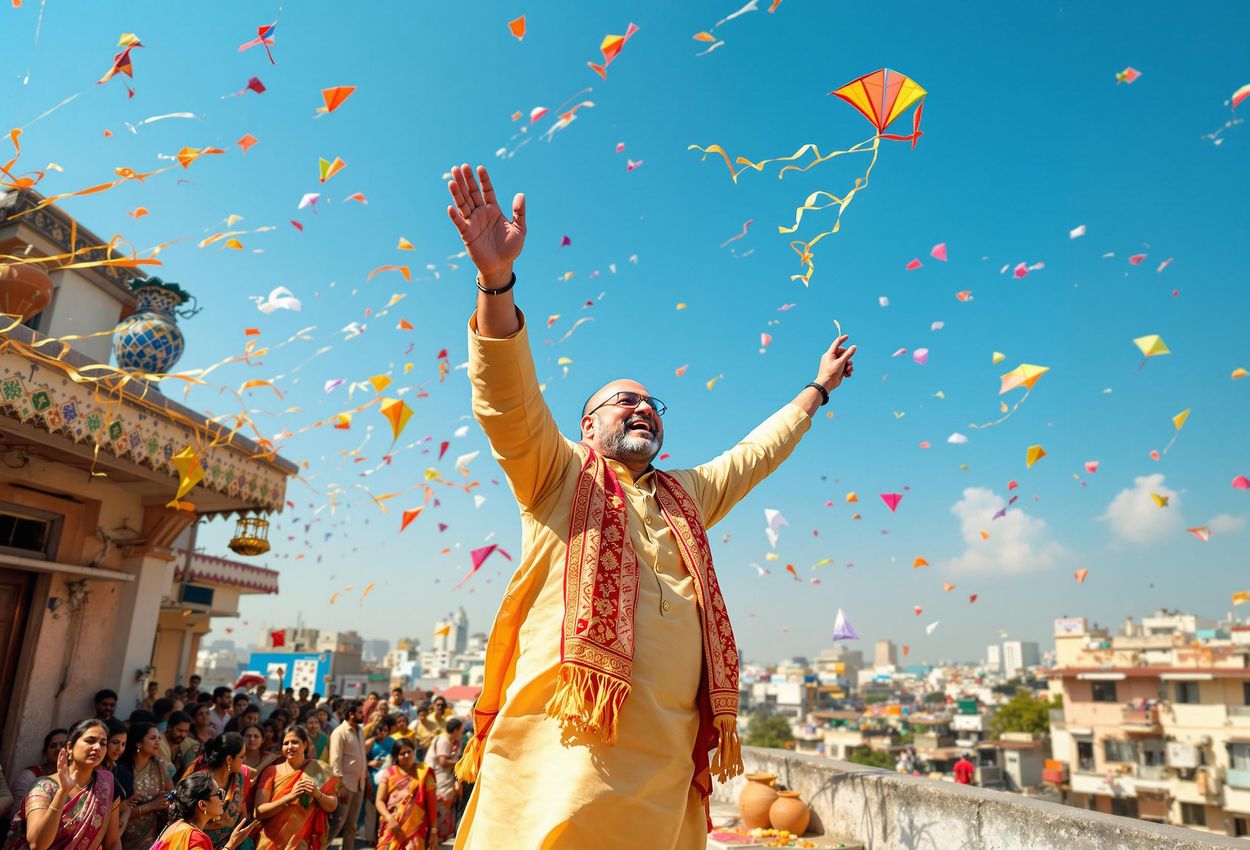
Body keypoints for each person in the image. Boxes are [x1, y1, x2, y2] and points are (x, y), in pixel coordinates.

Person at [442, 163, 856, 850]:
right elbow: (506, 400)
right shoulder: (557, 472)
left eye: (651, 404)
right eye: (622, 401)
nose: (642, 409)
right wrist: (495, 282)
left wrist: (817, 389)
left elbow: (756, 453)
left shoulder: (684, 496)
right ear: (586, 429)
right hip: (564, 761)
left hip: (667, 764)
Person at [6, 718, 122, 850]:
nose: (97, 747)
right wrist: (63, 791)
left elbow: (112, 843)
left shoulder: (107, 785)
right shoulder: (44, 786)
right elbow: (37, 844)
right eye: (90, 741)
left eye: (103, 743)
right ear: (69, 747)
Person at [253, 726, 339, 850]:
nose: (290, 747)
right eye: (285, 743)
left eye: (295, 742)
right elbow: (259, 811)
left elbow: (332, 806)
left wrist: (317, 794)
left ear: (305, 744)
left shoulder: (318, 769)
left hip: (303, 842)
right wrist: (288, 798)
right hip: (271, 841)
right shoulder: (271, 771)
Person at [150, 772, 257, 850]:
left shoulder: (176, 825)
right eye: (219, 794)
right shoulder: (194, 838)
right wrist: (232, 844)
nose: (223, 799)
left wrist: (232, 844)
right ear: (202, 805)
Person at [183, 734, 255, 850]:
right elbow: (187, 818)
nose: (244, 760)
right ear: (229, 759)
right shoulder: (201, 781)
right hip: (200, 843)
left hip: (231, 842)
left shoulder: (238, 777)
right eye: (241, 756)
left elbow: (242, 810)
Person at [115, 722, 172, 850]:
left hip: (151, 836)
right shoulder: (121, 770)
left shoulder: (161, 766)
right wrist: (151, 805)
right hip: (122, 833)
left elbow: (172, 795)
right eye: (152, 738)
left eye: (159, 738)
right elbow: (116, 811)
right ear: (138, 743)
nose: (158, 742)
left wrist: (165, 800)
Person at [374, 739, 436, 850]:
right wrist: (389, 818)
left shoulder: (424, 772)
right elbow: (379, 801)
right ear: (396, 756)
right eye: (402, 753)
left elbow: (432, 804)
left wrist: (433, 831)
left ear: (414, 752)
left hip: (416, 828)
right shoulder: (389, 773)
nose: (407, 755)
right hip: (392, 827)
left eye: (409, 751)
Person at [326, 700, 366, 850]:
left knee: (352, 827)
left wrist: (365, 778)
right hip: (345, 786)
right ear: (351, 714)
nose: (363, 715)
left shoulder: (360, 731)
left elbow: (362, 757)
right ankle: (320, 847)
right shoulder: (339, 732)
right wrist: (339, 786)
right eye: (360, 712)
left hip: (359, 784)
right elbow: (335, 762)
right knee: (338, 823)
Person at [426, 719, 461, 844]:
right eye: (460, 730)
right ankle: (436, 836)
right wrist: (460, 763)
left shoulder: (445, 739)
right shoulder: (444, 741)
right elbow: (442, 761)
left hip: (439, 777)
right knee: (440, 804)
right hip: (438, 778)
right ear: (456, 729)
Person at [11, 729, 68, 804]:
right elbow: (18, 808)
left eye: (63, 745)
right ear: (44, 753)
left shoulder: (76, 777)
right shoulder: (29, 776)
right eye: (53, 746)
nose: (58, 748)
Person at [162, 712, 193, 777]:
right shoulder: (158, 743)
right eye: (179, 730)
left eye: (186, 731)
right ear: (169, 727)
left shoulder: (190, 744)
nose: (183, 735)